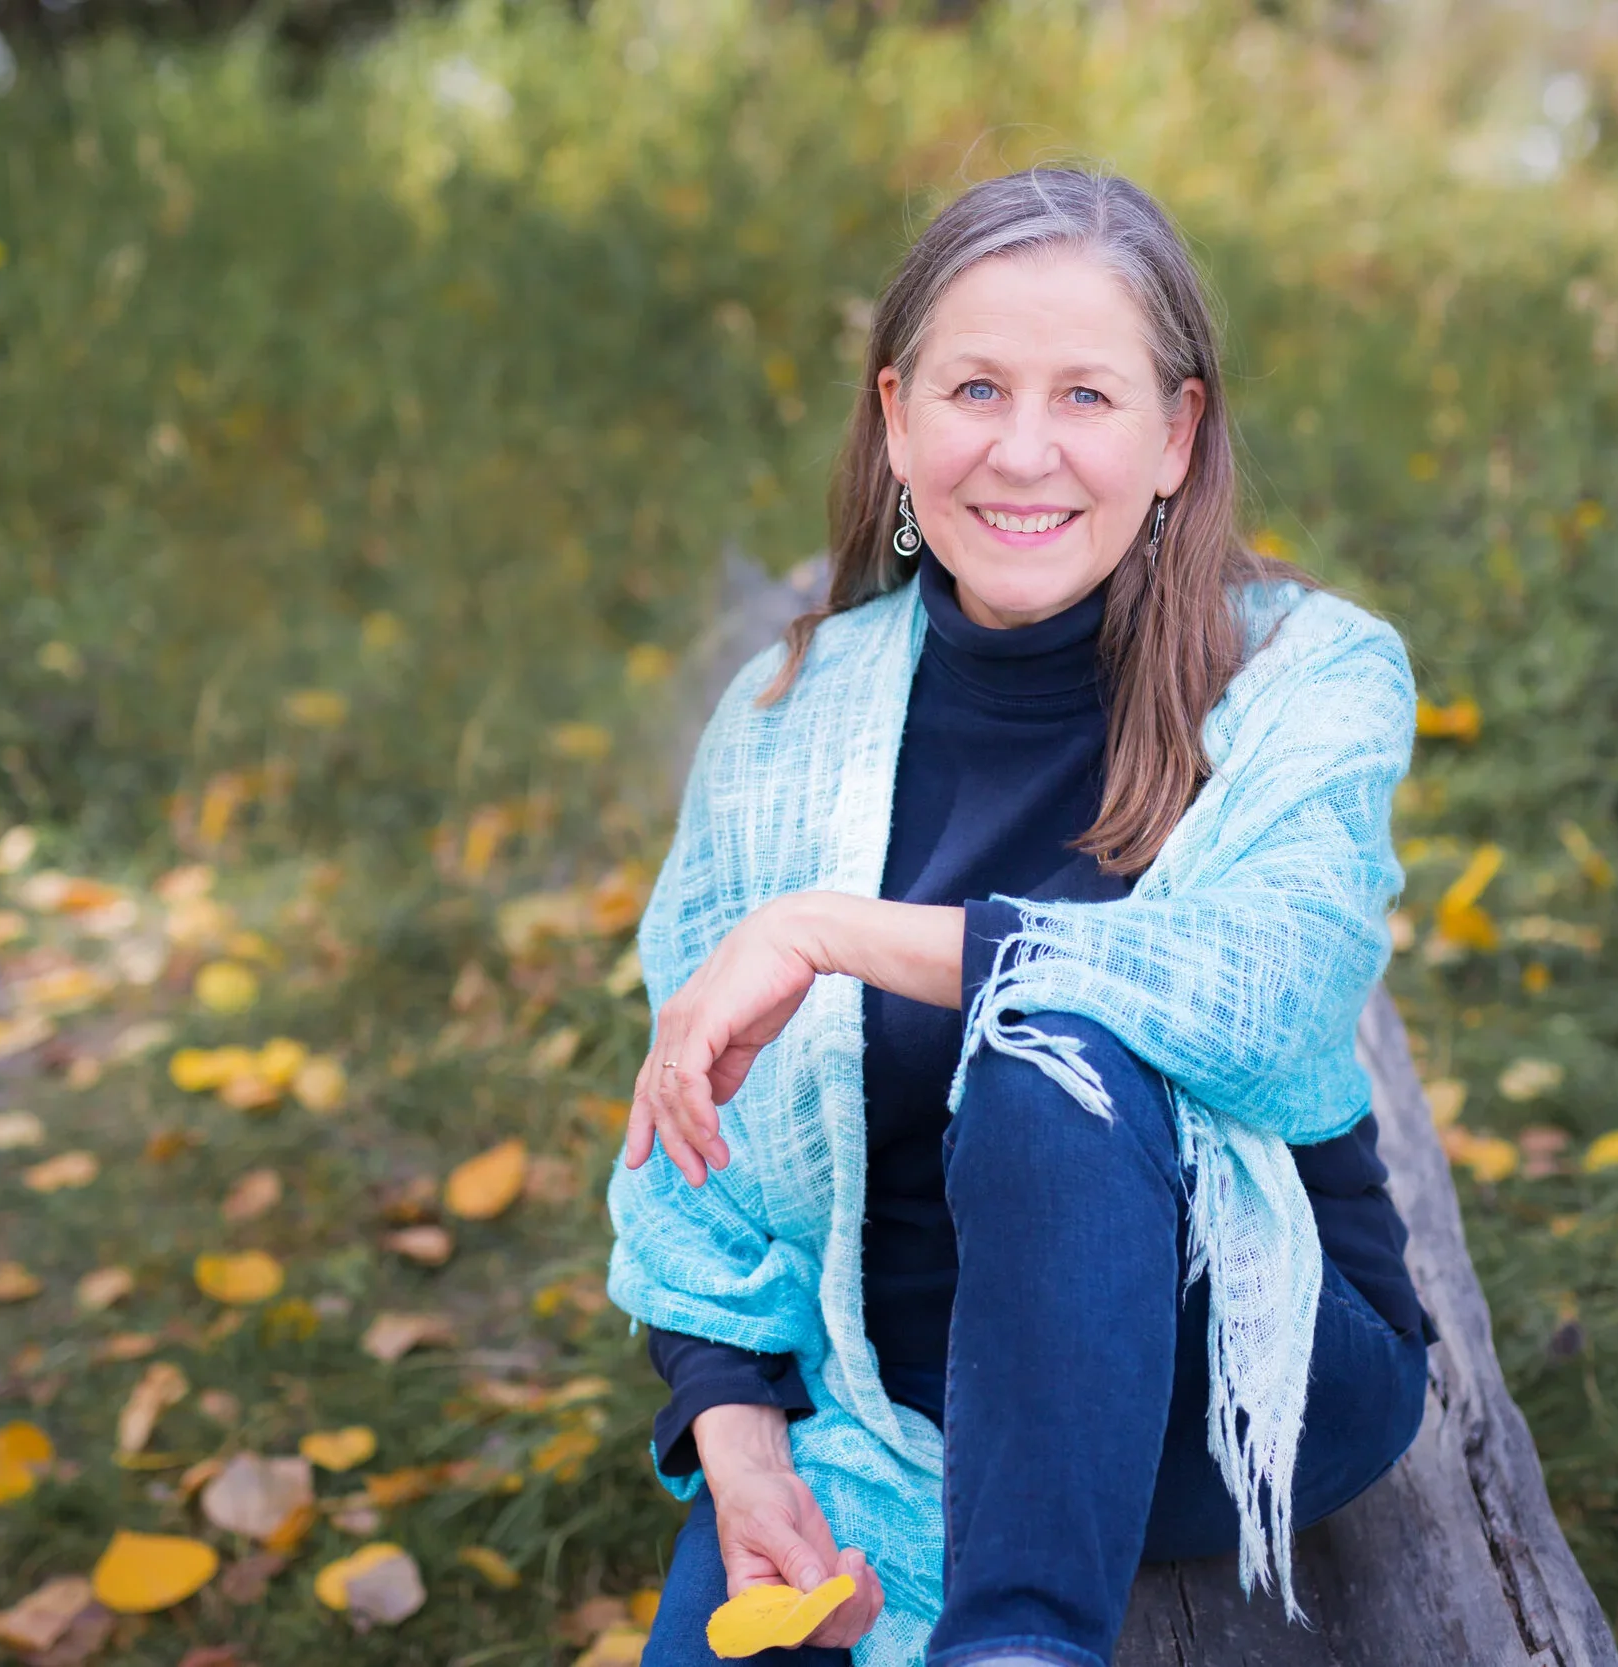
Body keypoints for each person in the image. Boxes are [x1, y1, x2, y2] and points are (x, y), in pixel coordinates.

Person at [605, 166, 1434, 1667]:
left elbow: (1261, 993)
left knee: (1049, 1042)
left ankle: (1020, 1643)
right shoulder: (787, 721)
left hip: (1245, 1365)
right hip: (886, 1409)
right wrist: (739, 1437)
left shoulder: (1311, 678)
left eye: (1089, 397)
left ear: (1178, 433)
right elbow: (693, 1152)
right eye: (976, 386)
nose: (1026, 449)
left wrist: (833, 931)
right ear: (897, 418)